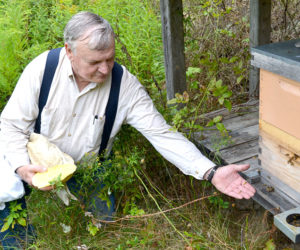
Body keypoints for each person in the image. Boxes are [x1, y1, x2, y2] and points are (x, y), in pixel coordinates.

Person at [0, 11, 255, 248]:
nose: (104, 69)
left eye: (110, 59)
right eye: (95, 62)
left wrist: (211, 171)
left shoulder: (125, 86)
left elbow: (162, 134)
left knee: (105, 229)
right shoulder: (42, 69)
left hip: (89, 169)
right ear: (69, 51)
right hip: (35, 160)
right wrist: (23, 168)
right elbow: (11, 125)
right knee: (6, 202)